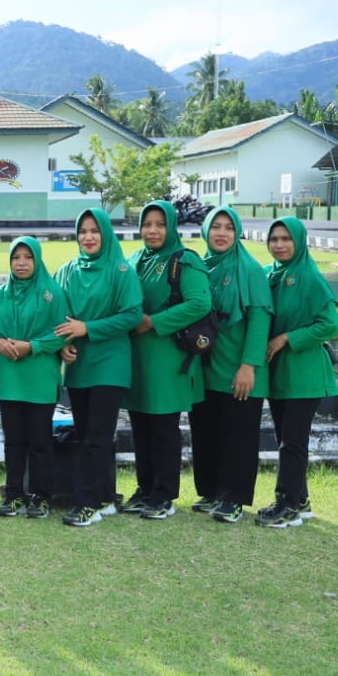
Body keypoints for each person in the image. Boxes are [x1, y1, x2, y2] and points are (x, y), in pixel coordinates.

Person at [53, 208, 143, 528]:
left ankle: (87, 503)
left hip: (111, 363)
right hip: (79, 365)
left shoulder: (120, 271)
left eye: (94, 231)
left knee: (97, 434)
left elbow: (132, 315)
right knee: (88, 433)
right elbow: (57, 316)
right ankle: (105, 495)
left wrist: (87, 328)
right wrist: (63, 343)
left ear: (105, 234)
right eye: (83, 231)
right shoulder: (66, 271)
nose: (88, 237)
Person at [124, 199, 211, 520]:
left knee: (163, 426)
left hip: (168, 358)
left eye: (160, 224)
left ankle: (163, 495)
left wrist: (153, 322)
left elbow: (200, 303)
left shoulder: (184, 260)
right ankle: (144, 488)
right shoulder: (134, 259)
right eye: (147, 224)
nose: (153, 230)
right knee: (140, 425)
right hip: (137, 357)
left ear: (171, 227)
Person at [188, 207, 272, 523]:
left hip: (240, 369)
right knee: (207, 432)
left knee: (239, 436)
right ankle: (211, 492)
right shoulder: (201, 267)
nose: (221, 234)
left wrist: (249, 365)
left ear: (237, 233)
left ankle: (234, 498)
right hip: (208, 366)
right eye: (215, 227)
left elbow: (259, 319)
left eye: (228, 228)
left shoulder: (248, 269)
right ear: (206, 232)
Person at [258, 217, 338, 528]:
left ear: (299, 241)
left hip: (304, 375)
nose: (279, 245)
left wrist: (286, 338)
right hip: (281, 374)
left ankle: (288, 505)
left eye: (286, 239)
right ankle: (300, 500)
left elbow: (330, 324)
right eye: (274, 239)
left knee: (292, 442)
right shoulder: (272, 275)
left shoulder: (309, 276)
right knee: (287, 439)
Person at [0, 237, 69, 519]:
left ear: (37, 260)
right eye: (16, 258)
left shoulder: (53, 293)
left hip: (41, 376)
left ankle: (40, 496)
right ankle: (13, 495)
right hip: (11, 377)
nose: (21, 263)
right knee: (13, 441)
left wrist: (31, 346)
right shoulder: (0, 294)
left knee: (39, 441)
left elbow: (61, 334)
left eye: (27, 257)